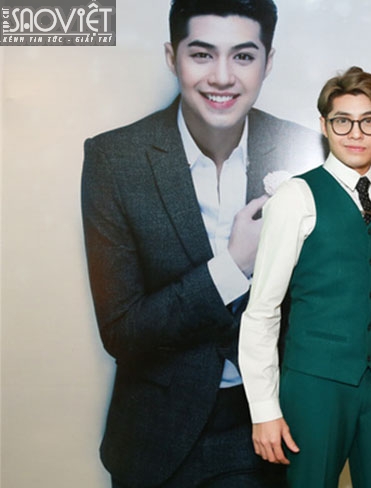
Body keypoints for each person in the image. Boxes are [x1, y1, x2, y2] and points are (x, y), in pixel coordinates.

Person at [80, 0, 326, 486]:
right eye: (201, 54)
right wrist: (233, 266)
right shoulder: (114, 159)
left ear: (268, 62)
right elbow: (122, 332)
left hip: (275, 430)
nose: (222, 77)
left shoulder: (309, 153)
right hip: (156, 436)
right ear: (171, 57)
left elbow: (325, 306)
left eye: (243, 56)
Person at [239, 66, 371, 488]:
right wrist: (264, 409)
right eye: (342, 121)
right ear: (324, 125)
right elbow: (262, 310)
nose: (355, 133)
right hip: (314, 389)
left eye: (368, 121)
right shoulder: (295, 197)